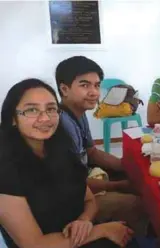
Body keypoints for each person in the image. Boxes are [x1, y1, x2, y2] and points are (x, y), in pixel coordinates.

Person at [0, 79, 133, 247]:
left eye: (51, 109)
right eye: (32, 110)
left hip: (78, 235)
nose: (45, 118)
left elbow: (89, 201)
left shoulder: (61, 148)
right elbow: (34, 244)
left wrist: (84, 221)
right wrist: (101, 230)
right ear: (13, 118)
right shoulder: (5, 168)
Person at [56, 56, 148, 237]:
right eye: (85, 85)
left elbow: (92, 152)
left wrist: (126, 166)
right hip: (73, 200)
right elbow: (73, 184)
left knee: (135, 175)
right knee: (139, 204)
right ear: (64, 89)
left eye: (97, 85)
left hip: (83, 180)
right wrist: (118, 185)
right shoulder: (61, 125)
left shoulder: (79, 113)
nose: (94, 92)